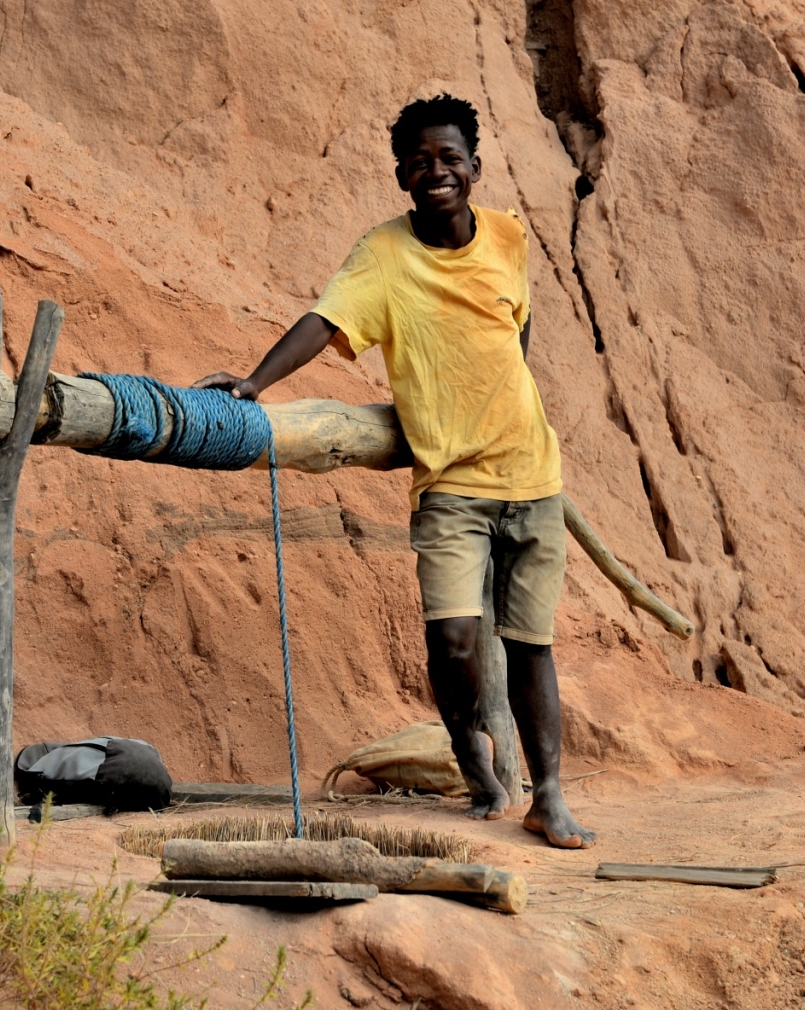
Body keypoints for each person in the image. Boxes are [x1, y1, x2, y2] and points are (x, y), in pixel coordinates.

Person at [192, 93, 595, 848]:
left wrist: (501, 399)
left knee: (532, 642)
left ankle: (550, 797)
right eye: (419, 161)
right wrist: (254, 383)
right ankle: (472, 752)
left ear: (474, 167)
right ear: (401, 175)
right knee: (453, 643)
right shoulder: (383, 255)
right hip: (450, 487)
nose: (435, 170)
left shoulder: (508, 236)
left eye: (449, 157)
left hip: (532, 476)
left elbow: (519, 324)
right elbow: (325, 319)